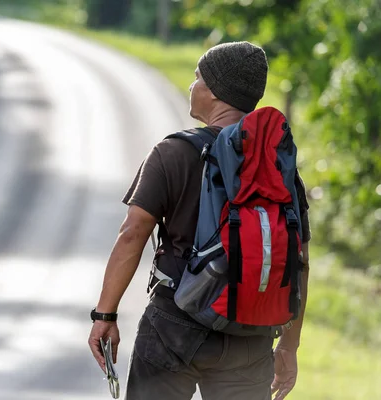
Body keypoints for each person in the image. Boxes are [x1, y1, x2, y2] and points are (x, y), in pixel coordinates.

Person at [87, 41, 311, 400]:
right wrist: (289, 345)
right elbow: (298, 262)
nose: (192, 86)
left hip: (174, 325)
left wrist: (105, 315)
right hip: (250, 335)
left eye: (197, 78)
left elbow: (132, 234)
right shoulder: (276, 167)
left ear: (216, 93)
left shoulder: (173, 152)